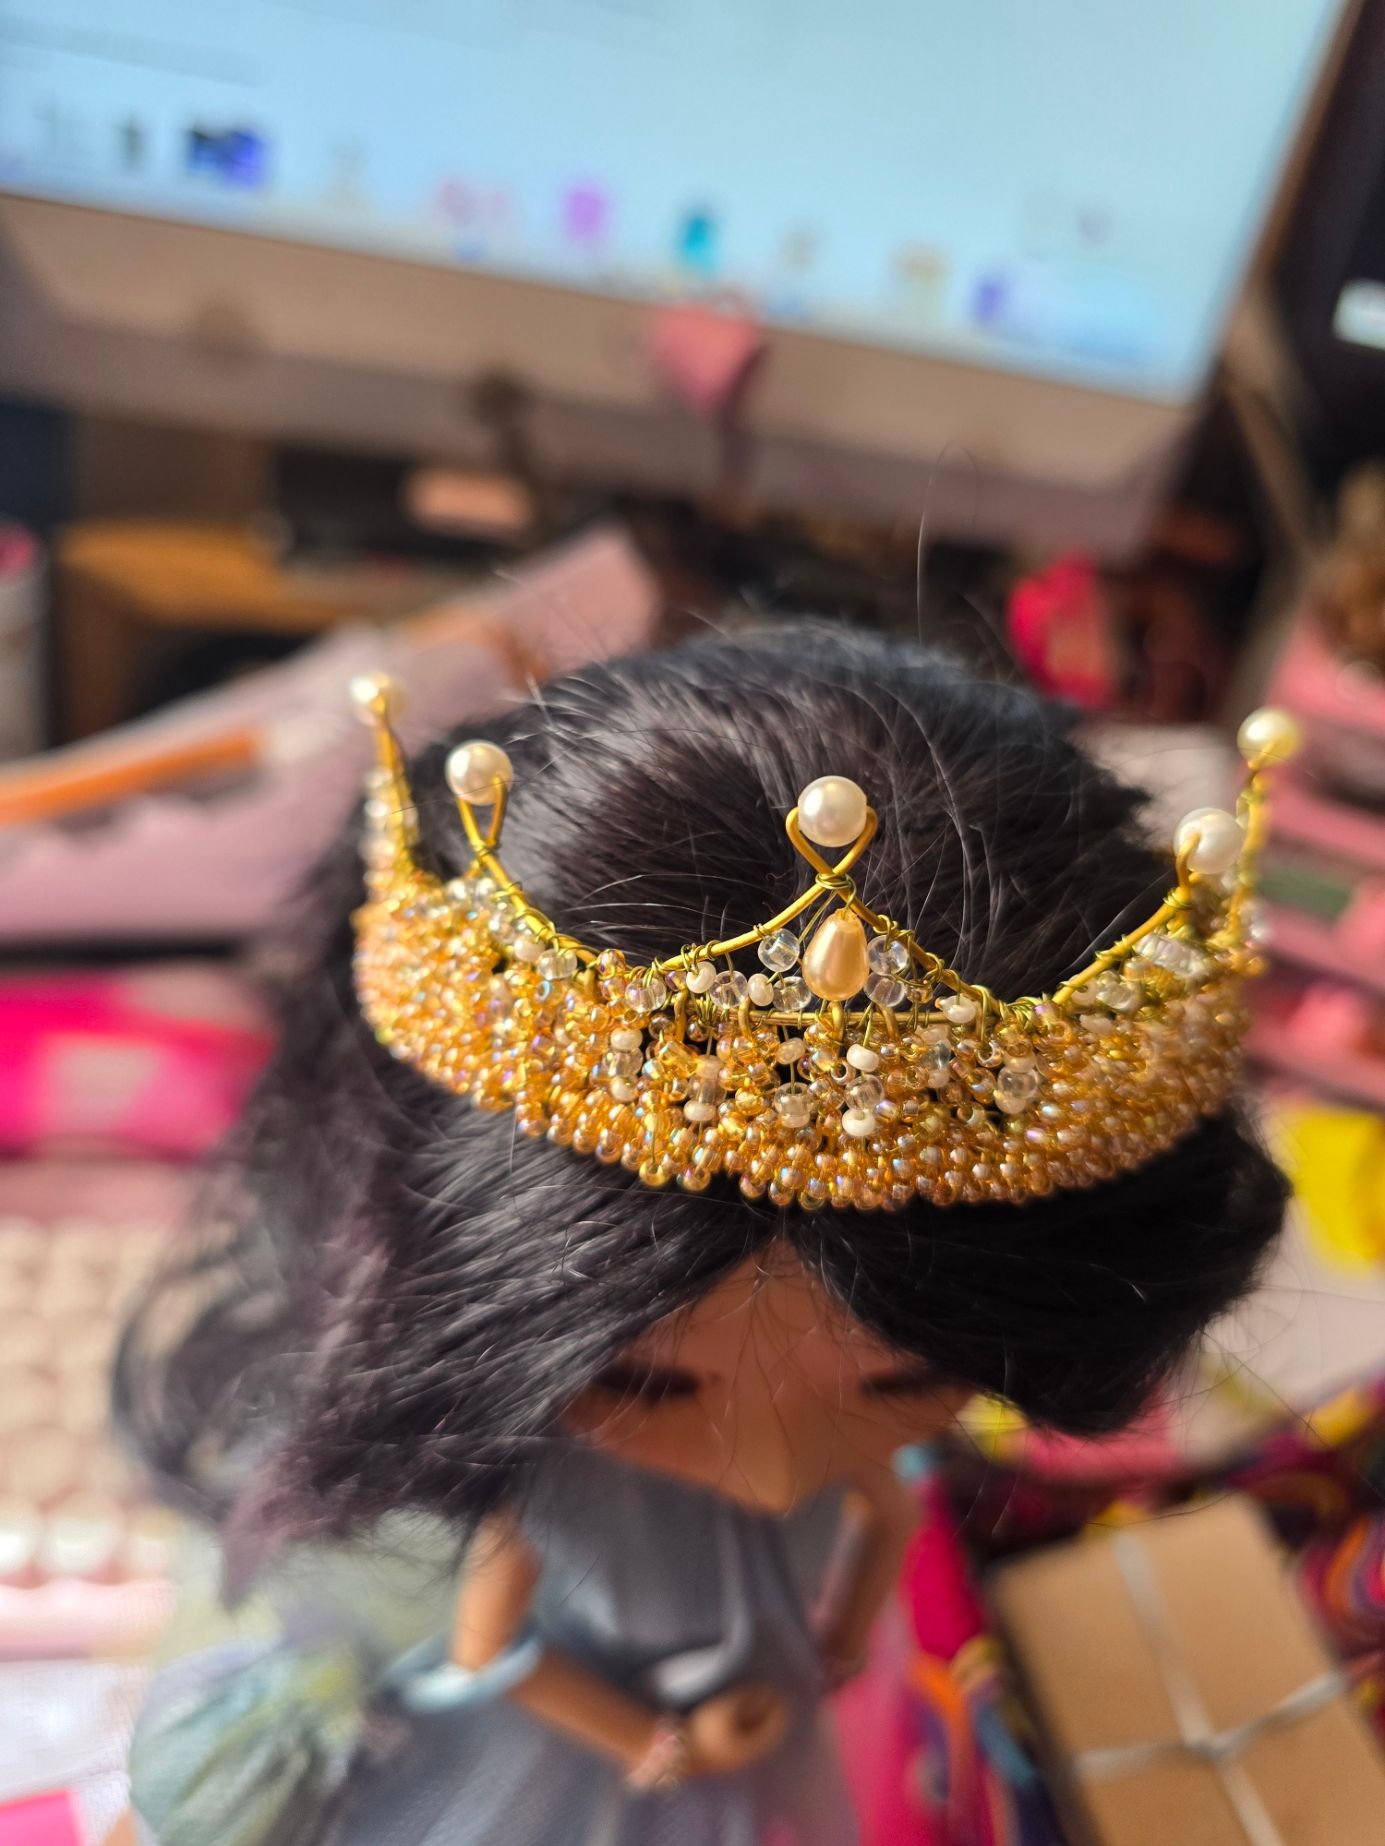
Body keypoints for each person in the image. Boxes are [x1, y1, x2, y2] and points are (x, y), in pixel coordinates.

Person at [112, 627, 1288, 1846]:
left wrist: (838, 1641)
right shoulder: (526, 1490)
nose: (773, 1473)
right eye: (642, 1381)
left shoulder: (842, 1478)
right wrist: (661, 1744)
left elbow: (881, 1519)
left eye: (909, 1380)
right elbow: (490, 1647)